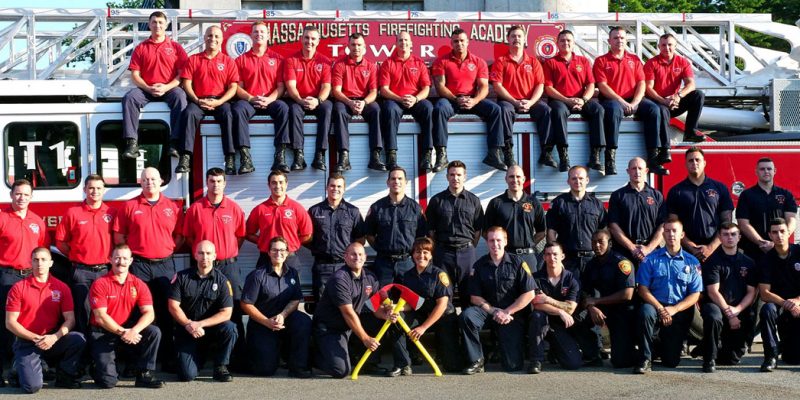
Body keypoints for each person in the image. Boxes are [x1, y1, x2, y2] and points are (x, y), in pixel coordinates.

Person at [113, 167, 183, 371]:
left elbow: (179, 237)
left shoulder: (172, 207)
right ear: (140, 182)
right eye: (145, 179)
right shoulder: (129, 206)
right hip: (139, 266)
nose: (149, 182)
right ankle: (136, 360)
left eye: (153, 179)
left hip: (165, 265)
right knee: (137, 312)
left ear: (161, 181)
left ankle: (168, 357)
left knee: (167, 311)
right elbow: (119, 238)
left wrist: (165, 250)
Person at [181, 167, 246, 370]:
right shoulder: (195, 209)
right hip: (202, 267)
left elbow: (240, 236)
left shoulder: (234, 208)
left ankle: (236, 359)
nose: (215, 184)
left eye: (219, 181)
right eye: (211, 181)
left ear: (224, 184)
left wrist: (225, 254)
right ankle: (201, 354)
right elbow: (189, 237)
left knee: (233, 311)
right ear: (206, 183)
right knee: (200, 309)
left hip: (228, 266)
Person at [6, 248, 84, 393]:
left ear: (51, 263)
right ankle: (17, 370)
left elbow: (70, 319)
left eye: (43, 260)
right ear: (31, 263)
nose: (39, 263)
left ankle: (64, 376)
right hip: (27, 341)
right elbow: (10, 322)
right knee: (32, 387)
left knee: (78, 339)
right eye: (35, 260)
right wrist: (36, 338)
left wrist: (55, 337)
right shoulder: (18, 288)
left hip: (51, 339)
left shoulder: (62, 287)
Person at [312, 242, 395, 378]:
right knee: (341, 371)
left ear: (365, 257)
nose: (357, 257)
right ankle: (315, 355)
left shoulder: (370, 277)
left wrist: (386, 314)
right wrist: (366, 339)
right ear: (345, 257)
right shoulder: (339, 279)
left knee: (380, 322)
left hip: (349, 326)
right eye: (353, 254)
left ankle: (369, 363)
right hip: (330, 328)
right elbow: (348, 313)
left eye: (360, 254)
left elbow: (375, 308)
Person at [460, 227, 536, 374]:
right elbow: (474, 297)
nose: (495, 244)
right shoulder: (479, 265)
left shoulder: (518, 263)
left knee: (513, 366)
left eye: (498, 240)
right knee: (467, 316)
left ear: (506, 241)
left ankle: (495, 349)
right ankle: (477, 360)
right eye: (491, 240)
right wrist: (494, 311)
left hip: (511, 315)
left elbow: (529, 293)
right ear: (487, 242)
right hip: (488, 312)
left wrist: (507, 312)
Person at [89, 244, 164, 389]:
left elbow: (149, 313)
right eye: (117, 258)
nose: (120, 262)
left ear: (131, 261)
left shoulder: (138, 283)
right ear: (110, 260)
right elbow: (100, 317)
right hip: (103, 332)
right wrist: (123, 332)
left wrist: (134, 331)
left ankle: (144, 374)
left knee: (154, 332)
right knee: (108, 382)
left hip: (127, 330)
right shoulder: (100, 283)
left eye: (124, 258)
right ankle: (96, 367)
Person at [633, 217, 702, 373]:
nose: (671, 234)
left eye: (674, 231)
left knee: (671, 362)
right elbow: (642, 289)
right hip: (656, 306)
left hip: (678, 311)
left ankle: (658, 345)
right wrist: (660, 308)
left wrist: (674, 309)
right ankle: (645, 358)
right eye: (667, 231)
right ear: (663, 234)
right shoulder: (650, 260)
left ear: (682, 234)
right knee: (645, 312)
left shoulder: (692, 262)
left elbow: (695, 294)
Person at [593, 27, 664, 175]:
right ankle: (610, 158)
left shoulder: (635, 59)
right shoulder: (601, 61)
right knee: (613, 110)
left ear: (626, 40)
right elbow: (602, 86)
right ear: (609, 41)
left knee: (654, 110)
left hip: (634, 99)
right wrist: (621, 101)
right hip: (612, 99)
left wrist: (636, 102)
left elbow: (641, 83)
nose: (619, 40)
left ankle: (653, 157)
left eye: (622, 38)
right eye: (616, 38)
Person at [432, 28, 503, 172]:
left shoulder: (479, 62)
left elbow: (484, 87)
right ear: (451, 43)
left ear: (468, 42)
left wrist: (475, 101)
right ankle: (442, 155)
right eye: (456, 41)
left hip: (472, 99)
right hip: (451, 99)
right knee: (439, 109)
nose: (459, 44)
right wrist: (455, 99)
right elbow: (440, 86)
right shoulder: (441, 61)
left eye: (462, 41)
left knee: (496, 110)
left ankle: (494, 154)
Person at [387, 238, 461, 375]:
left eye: (426, 252)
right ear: (412, 254)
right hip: (420, 314)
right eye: (418, 252)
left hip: (441, 317)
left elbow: (442, 305)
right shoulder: (408, 276)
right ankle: (403, 364)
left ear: (431, 255)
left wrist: (423, 327)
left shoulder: (439, 275)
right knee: (396, 320)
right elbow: (408, 303)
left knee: (452, 366)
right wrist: (396, 309)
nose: (421, 255)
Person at [241, 237, 311, 378]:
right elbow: (246, 304)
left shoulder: (292, 273)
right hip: (262, 323)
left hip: (284, 319)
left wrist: (283, 315)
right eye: (274, 250)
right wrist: (267, 322)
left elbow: (295, 299)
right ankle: (270, 354)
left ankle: (298, 366)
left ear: (287, 253)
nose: (278, 253)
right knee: (265, 370)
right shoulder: (257, 275)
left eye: (282, 250)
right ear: (268, 252)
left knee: (303, 321)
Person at [121, 10, 188, 160]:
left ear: (166, 25)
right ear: (149, 25)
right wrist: (147, 87)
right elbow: (135, 75)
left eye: (160, 22)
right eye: (154, 22)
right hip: (146, 89)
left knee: (181, 97)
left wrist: (166, 87)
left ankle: (175, 143)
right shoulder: (141, 48)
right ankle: (131, 143)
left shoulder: (176, 48)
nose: (157, 25)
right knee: (129, 98)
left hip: (169, 89)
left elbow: (181, 76)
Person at [168, 240, 237, 382]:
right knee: (187, 376)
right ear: (195, 255)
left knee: (230, 328)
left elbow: (226, 313)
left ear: (214, 256)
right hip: (187, 329)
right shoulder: (181, 277)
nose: (204, 257)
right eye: (201, 253)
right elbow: (173, 306)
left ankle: (220, 366)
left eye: (208, 253)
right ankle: (198, 358)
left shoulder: (223, 281)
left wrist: (200, 324)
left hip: (210, 329)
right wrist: (188, 324)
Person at [55, 175, 116, 336]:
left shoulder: (112, 212)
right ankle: (84, 350)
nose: (94, 191)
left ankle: (101, 349)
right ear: (84, 190)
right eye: (91, 188)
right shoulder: (73, 213)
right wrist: (77, 255)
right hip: (81, 272)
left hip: (105, 271)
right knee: (82, 311)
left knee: (104, 311)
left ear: (104, 191)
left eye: (98, 188)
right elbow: (60, 241)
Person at [0, 179, 47, 381]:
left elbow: (42, 250)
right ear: (11, 195)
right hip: (6, 275)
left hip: (30, 277)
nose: (21, 198)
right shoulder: (1, 217)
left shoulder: (37, 221)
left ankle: (29, 362)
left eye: (26, 194)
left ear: (31, 197)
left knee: (31, 320)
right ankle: (5, 365)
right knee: (6, 323)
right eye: (18, 194)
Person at [175, 25, 239, 174]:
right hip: (198, 101)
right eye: (210, 35)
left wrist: (219, 102)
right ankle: (185, 157)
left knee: (228, 114)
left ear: (222, 40)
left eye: (217, 36)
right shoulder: (193, 59)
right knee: (188, 114)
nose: (213, 39)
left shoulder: (229, 61)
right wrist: (197, 100)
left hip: (220, 101)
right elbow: (186, 84)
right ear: (204, 38)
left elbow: (233, 87)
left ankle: (230, 157)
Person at [543, 29, 604, 172]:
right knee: (557, 112)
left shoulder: (583, 61)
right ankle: (564, 156)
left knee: (598, 110)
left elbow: (590, 84)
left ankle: (595, 156)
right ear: (557, 44)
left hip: (580, 99)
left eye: (569, 40)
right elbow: (548, 88)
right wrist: (567, 100)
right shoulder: (551, 63)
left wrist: (583, 100)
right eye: (562, 40)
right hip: (560, 100)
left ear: (574, 43)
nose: (566, 43)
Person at [491, 25, 550, 170]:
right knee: (504, 110)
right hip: (509, 101)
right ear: (508, 40)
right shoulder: (500, 61)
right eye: (513, 36)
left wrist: (530, 102)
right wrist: (514, 102)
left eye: (519, 36)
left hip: (531, 101)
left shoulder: (533, 62)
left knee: (546, 110)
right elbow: (497, 86)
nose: (516, 39)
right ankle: (508, 151)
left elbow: (540, 85)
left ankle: (546, 152)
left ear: (524, 40)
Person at [425, 160, 484, 308]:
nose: (455, 178)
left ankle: (466, 327)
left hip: (467, 253)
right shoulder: (436, 201)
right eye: (452, 174)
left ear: (465, 176)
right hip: (443, 254)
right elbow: (431, 230)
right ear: (447, 177)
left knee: (469, 293)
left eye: (459, 175)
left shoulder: (474, 201)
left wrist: (469, 246)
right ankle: (447, 329)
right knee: (444, 295)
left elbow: (478, 230)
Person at [231, 21, 287, 174]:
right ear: (251, 35)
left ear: (268, 36)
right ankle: (245, 158)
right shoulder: (241, 60)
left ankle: (280, 156)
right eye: (256, 32)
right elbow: (238, 88)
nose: (259, 34)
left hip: (271, 101)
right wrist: (250, 98)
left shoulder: (278, 59)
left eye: (262, 32)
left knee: (283, 108)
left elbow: (281, 87)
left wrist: (270, 99)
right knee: (237, 109)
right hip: (250, 101)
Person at [700, 222, 757, 373]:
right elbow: (713, 292)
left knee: (732, 359)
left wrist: (737, 310)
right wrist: (730, 314)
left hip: (738, 309)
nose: (729, 237)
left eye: (733, 234)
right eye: (725, 234)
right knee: (713, 316)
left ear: (739, 237)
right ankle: (709, 359)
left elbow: (752, 292)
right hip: (717, 306)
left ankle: (707, 345)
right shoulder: (712, 261)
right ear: (720, 237)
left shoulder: (749, 262)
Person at [666, 147, 734, 263]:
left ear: (704, 163)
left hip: (716, 250)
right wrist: (692, 247)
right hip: (686, 252)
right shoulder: (676, 191)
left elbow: (726, 224)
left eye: (698, 160)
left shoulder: (719, 188)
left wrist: (710, 248)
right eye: (690, 160)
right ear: (686, 164)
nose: (694, 163)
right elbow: (673, 226)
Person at [379, 32, 435, 171]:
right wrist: (400, 98)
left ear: (411, 44)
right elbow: (384, 90)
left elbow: (426, 88)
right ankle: (391, 154)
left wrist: (415, 98)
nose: (403, 43)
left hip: (415, 100)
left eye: (406, 40)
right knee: (389, 110)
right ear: (396, 44)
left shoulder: (419, 63)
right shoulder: (388, 63)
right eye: (400, 40)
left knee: (428, 108)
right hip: (396, 100)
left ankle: (427, 153)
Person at [581, 229, 636, 368]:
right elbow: (585, 291)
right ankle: (593, 354)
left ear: (610, 243)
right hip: (602, 308)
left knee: (620, 362)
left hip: (621, 310)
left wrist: (596, 301)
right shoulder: (591, 264)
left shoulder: (621, 263)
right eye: (594, 242)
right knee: (578, 317)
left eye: (601, 242)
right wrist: (591, 307)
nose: (597, 245)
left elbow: (627, 295)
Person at [307, 173, 365, 305]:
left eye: (339, 186)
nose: (335, 189)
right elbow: (306, 237)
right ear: (327, 187)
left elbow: (360, 240)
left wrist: (349, 255)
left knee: (347, 304)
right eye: (332, 185)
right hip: (322, 266)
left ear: (344, 189)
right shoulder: (314, 211)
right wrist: (319, 248)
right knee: (322, 305)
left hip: (345, 266)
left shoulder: (353, 211)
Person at [364, 167, 427, 286]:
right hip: (383, 263)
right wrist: (381, 248)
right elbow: (369, 235)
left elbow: (421, 236)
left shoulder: (416, 209)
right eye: (393, 178)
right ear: (388, 182)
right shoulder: (377, 208)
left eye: (400, 178)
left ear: (406, 182)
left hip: (408, 262)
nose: (396, 181)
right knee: (382, 300)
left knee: (408, 299)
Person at [529, 242, 585, 373]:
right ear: (543, 257)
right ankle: (536, 360)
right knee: (537, 315)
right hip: (541, 323)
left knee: (573, 364)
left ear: (563, 256)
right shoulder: (536, 278)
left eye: (555, 254)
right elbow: (537, 304)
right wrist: (560, 310)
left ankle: (555, 350)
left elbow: (570, 308)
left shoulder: (572, 279)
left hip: (561, 326)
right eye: (548, 254)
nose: (551, 257)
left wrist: (548, 299)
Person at [284, 26, 333, 171]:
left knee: (328, 108)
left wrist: (318, 101)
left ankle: (320, 154)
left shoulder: (325, 62)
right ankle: (298, 155)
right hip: (298, 99)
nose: (309, 41)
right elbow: (291, 86)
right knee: (293, 110)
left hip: (317, 100)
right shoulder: (291, 60)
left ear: (318, 41)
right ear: (301, 39)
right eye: (306, 38)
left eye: (313, 38)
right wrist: (300, 100)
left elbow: (326, 87)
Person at [332, 33, 382, 171]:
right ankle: (344, 156)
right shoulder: (339, 65)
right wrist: (350, 103)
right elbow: (336, 91)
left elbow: (373, 92)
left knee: (376, 109)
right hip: (345, 100)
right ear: (348, 46)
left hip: (364, 101)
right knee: (338, 110)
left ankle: (375, 156)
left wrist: (364, 103)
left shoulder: (371, 66)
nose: (356, 48)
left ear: (364, 47)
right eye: (353, 45)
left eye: (359, 45)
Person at [644, 33, 706, 145]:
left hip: (674, 102)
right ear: (658, 47)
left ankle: (690, 132)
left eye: (670, 45)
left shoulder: (682, 62)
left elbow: (691, 84)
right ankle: (664, 147)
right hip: (657, 102)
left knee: (698, 95)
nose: (667, 48)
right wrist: (663, 101)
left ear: (675, 46)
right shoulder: (651, 63)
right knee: (661, 109)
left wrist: (678, 96)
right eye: (663, 45)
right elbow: (648, 88)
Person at [547, 165, 607, 279]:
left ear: (587, 180)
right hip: (568, 262)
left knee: (595, 296)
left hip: (593, 261)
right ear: (568, 181)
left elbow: (604, 231)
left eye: (581, 178)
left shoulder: (597, 204)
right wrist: (556, 258)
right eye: (574, 178)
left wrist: (603, 257)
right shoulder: (559, 203)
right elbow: (551, 233)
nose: (577, 181)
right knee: (569, 296)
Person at [245, 170, 312, 270]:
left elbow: (307, 235)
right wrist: (264, 242)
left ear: (286, 184)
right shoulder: (260, 209)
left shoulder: (297, 208)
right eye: (274, 182)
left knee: (290, 286)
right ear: (269, 185)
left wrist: (291, 243)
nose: (278, 186)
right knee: (263, 285)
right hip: (266, 258)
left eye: (281, 182)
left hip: (290, 258)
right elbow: (248, 233)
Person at [484, 165, 546, 271]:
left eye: (518, 176)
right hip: (504, 256)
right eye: (511, 177)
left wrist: (529, 243)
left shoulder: (534, 203)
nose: (515, 180)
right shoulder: (496, 203)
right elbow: (485, 231)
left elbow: (542, 231)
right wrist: (498, 246)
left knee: (530, 287)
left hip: (528, 257)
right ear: (506, 179)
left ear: (524, 179)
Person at [758, 218, 800, 372]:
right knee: (767, 309)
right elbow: (764, 293)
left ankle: (784, 346)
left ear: (788, 232)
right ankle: (771, 356)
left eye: (782, 231)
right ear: (770, 235)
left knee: (793, 359)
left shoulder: (799, 252)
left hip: (798, 305)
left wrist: (797, 301)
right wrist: (786, 303)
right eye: (774, 232)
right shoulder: (766, 260)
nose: (779, 235)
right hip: (779, 305)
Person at [736, 157, 797, 260]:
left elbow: (792, 220)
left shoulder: (786, 194)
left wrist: (779, 240)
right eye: (762, 169)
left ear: (775, 171)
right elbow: (743, 223)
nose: (766, 171)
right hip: (753, 250)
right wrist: (762, 243)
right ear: (756, 172)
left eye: (769, 169)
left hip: (780, 250)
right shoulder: (746, 195)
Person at [607, 157, 666, 264]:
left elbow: (663, 225)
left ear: (646, 171)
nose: (637, 172)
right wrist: (632, 248)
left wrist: (648, 248)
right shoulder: (618, 196)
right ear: (628, 171)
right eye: (634, 168)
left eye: (640, 168)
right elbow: (613, 226)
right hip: (624, 253)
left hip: (651, 252)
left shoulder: (657, 195)